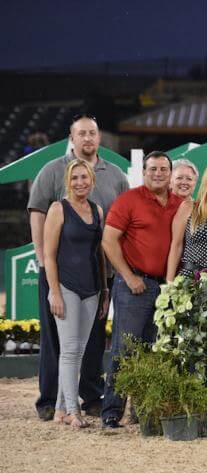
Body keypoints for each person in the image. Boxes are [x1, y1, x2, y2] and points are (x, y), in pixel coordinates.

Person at [27, 113, 129, 421]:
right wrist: (45, 260)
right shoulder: (53, 171)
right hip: (59, 273)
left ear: (99, 137)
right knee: (55, 340)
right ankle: (51, 401)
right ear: (72, 138)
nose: (87, 138)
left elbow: (120, 222)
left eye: (92, 133)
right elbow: (37, 213)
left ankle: (89, 396)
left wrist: (109, 278)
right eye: (81, 133)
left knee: (91, 341)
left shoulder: (114, 175)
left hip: (97, 276)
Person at [101, 151, 182, 428]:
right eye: (153, 169)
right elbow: (108, 241)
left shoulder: (180, 204)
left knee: (153, 350)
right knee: (125, 350)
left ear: (170, 173)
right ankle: (112, 411)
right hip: (134, 285)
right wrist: (127, 276)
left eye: (163, 169)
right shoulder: (129, 200)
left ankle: (143, 411)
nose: (158, 174)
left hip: (164, 287)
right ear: (144, 172)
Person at [43, 159, 107, 429]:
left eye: (84, 177)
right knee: (69, 351)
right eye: (75, 178)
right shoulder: (58, 209)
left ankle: (59, 410)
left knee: (78, 352)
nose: (80, 182)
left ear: (92, 179)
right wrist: (54, 292)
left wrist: (104, 290)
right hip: (66, 287)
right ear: (68, 182)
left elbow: (100, 253)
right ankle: (72, 412)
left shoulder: (97, 210)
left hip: (92, 289)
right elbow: (48, 255)